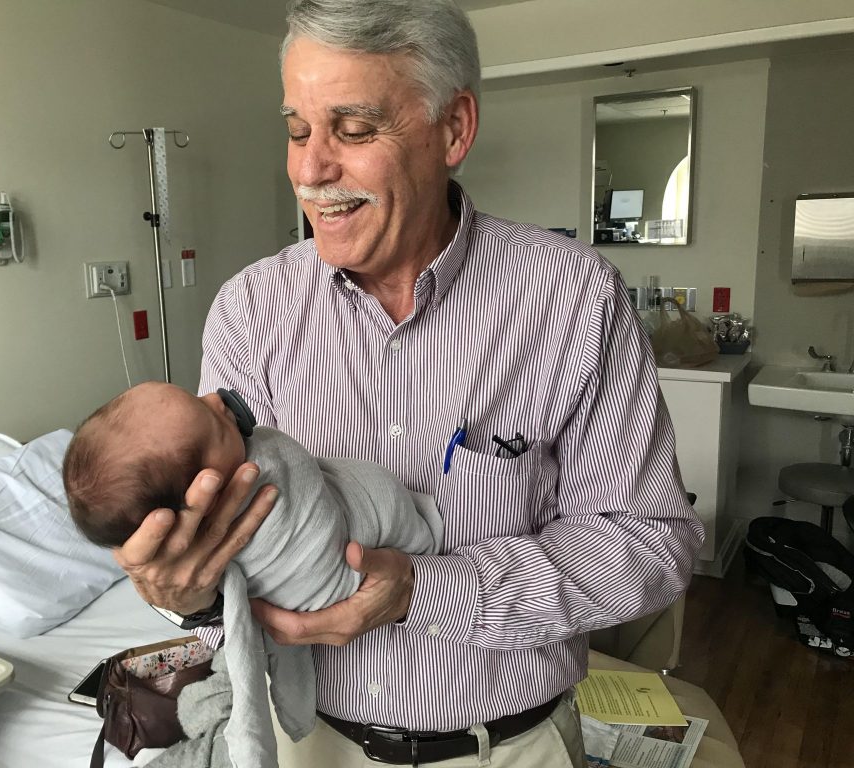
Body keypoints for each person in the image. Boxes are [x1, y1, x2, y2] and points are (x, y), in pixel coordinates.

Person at [113, 1, 705, 766]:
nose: (309, 169)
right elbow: (231, 561)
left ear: (454, 130)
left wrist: (427, 590)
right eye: (297, 129)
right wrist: (188, 590)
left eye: (353, 130)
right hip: (311, 745)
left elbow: (650, 542)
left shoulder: (571, 300)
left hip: (509, 748)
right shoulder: (250, 313)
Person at [63, 381, 443, 766]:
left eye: (199, 401)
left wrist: (421, 587)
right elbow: (231, 620)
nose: (216, 398)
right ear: (201, 503)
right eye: (212, 421)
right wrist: (196, 603)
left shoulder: (223, 447)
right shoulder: (239, 327)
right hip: (314, 736)